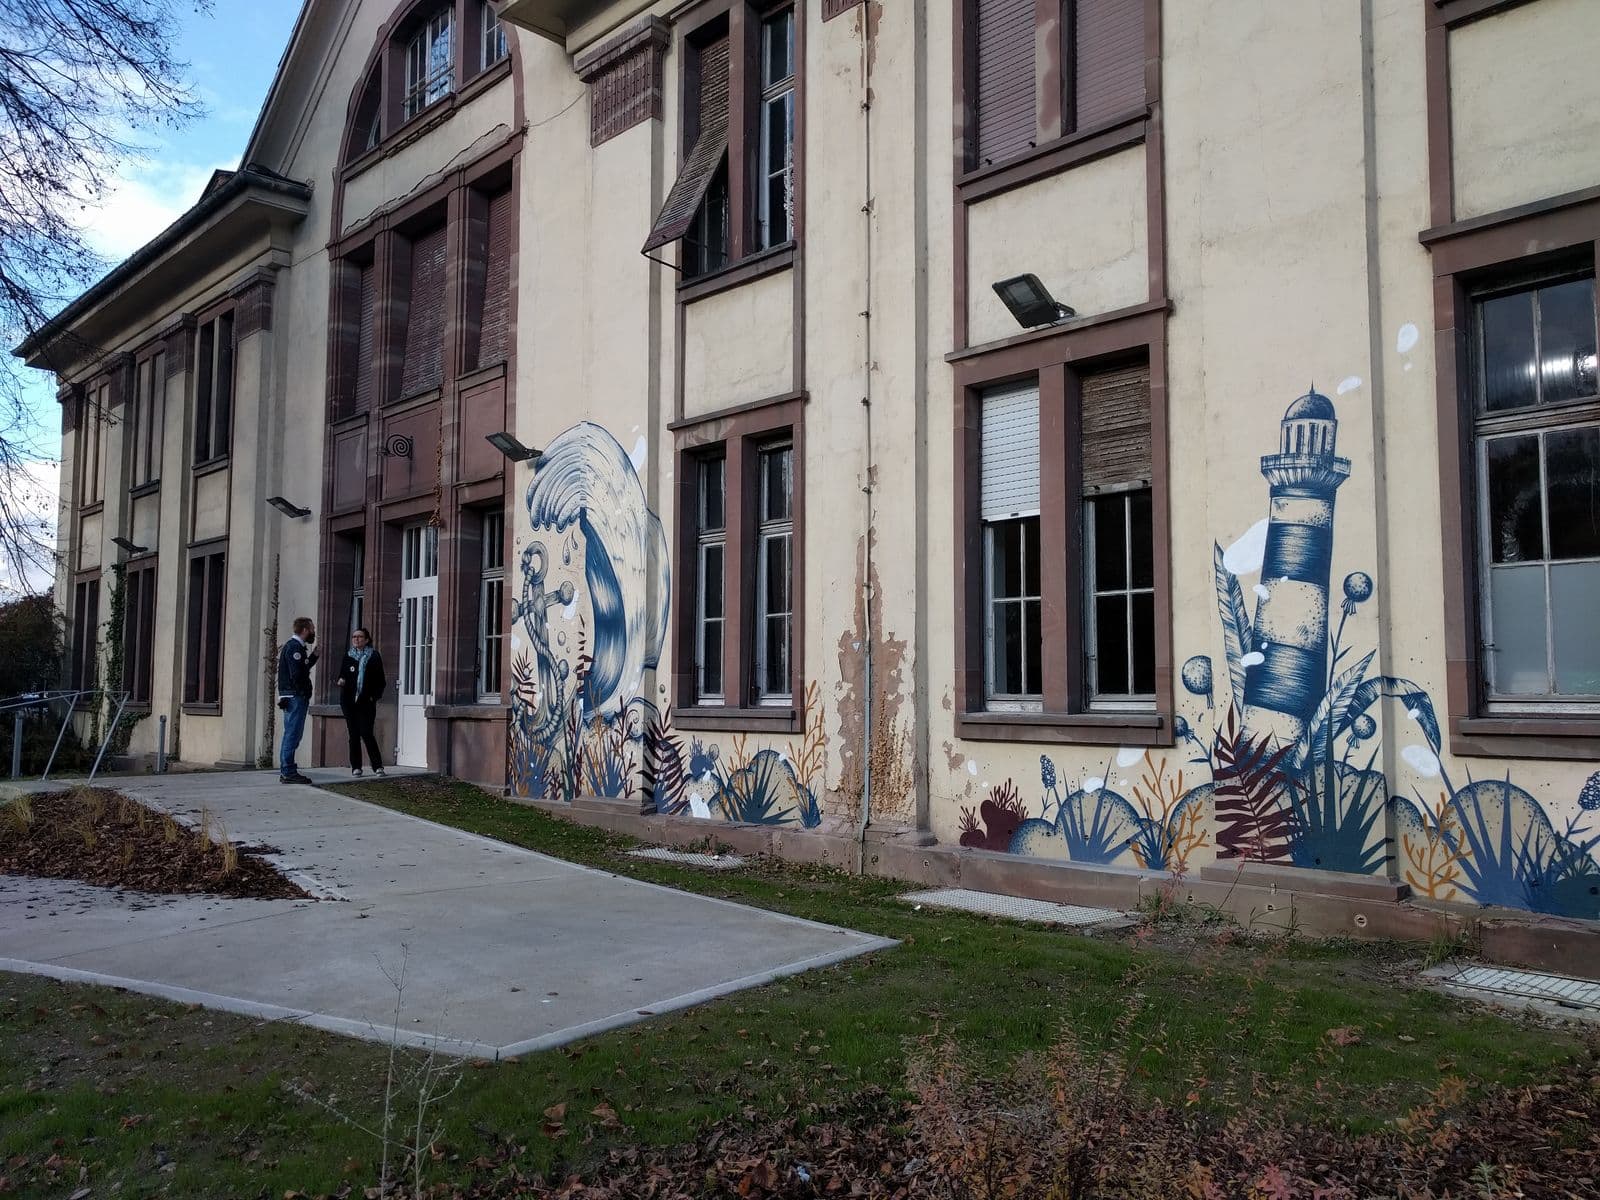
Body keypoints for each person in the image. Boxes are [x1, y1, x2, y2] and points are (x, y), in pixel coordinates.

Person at [336, 626, 387, 777]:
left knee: (366, 732)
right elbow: (342, 674)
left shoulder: (374, 656)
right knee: (353, 734)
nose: (356, 639)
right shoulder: (348, 656)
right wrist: (341, 680)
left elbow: (381, 680)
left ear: (366, 640)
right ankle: (356, 767)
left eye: (359, 637)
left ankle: (377, 766)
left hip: (366, 701)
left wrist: (373, 697)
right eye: (354, 637)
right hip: (349, 701)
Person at [276, 616, 318, 784]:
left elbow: (302, 667)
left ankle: (287, 770)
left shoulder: (296, 647)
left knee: (292, 734)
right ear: (305, 630)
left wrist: (314, 657)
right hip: (295, 696)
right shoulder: (294, 647)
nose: (313, 632)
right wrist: (303, 692)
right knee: (292, 734)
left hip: (292, 695)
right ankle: (288, 771)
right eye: (312, 629)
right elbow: (297, 674)